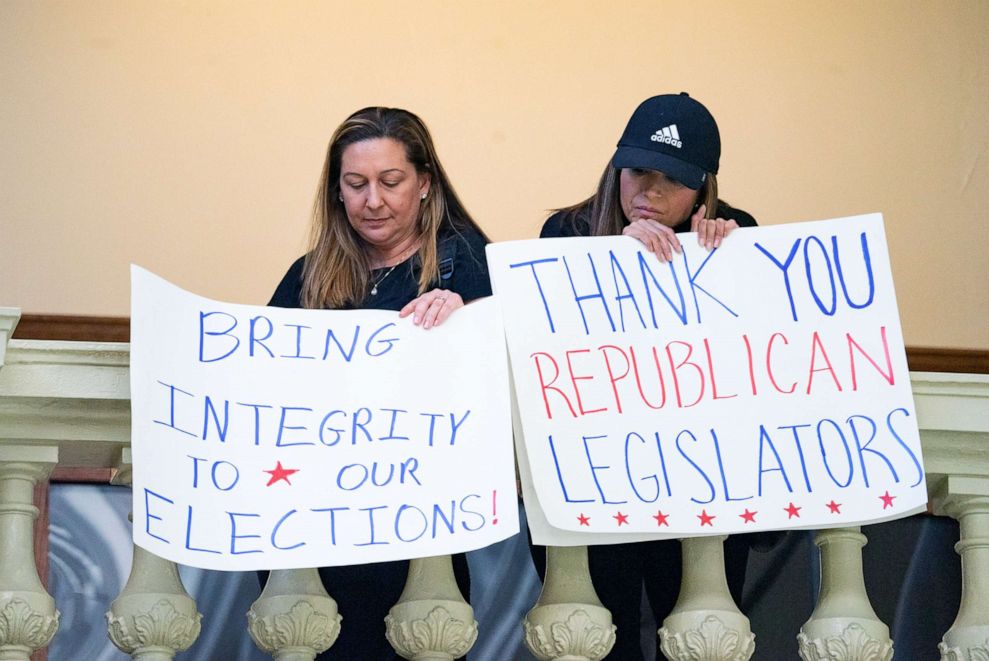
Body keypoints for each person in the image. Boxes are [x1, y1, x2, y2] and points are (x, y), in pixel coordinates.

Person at [537, 92, 771, 661]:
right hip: (595, 476)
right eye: (639, 170)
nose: (652, 192)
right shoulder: (565, 231)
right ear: (617, 165)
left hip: (696, 477)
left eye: (674, 179)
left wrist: (718, 263)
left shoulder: (737, 233)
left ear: (704, 186)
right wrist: (612, 261)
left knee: (698, 637)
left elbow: (754, 366)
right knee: (593, 640)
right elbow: (544, 353)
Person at [266, 106, 491, 659]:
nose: (374, 200)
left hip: (417, 531)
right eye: (356, 184)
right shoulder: (309, 274)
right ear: (336, 191)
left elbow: (505, 372)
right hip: (316, 531)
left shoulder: (468, 264)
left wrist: (473, 314)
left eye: (391, 182)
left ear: (424, 184)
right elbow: (260, 382)